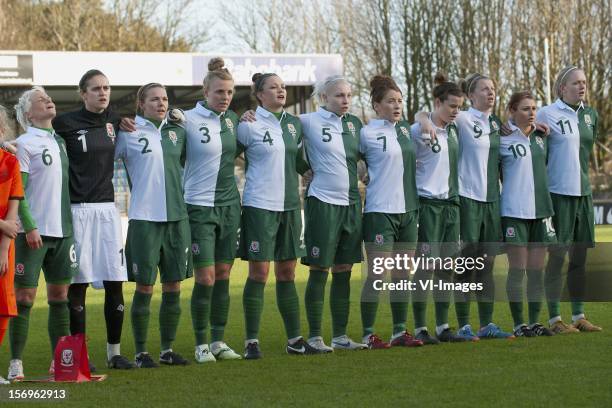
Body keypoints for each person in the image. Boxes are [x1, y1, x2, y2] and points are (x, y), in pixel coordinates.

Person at [417, 73, 513, 339]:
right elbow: (426, 113)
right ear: (471, 96)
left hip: (492, 201)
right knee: (464, 265)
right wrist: (423, 119)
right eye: (484, 89)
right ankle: (463, 324)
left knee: (487, 264)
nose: (491, 93)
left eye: (493, 88)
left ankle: (487, 325)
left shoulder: (495, 122)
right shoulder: (461, 118)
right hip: (467, 200)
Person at [52, 70, 133, 369]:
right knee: (79, 284)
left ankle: (114, 353)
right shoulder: (65, 123)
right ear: (83, 93)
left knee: (115, 282)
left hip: (108, 212)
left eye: (106, 87)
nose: (103, 92)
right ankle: (79, 358)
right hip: (77, 211)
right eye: (96, 88)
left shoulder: (113, 119)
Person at [237, 72, 321, 359]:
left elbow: (297, 161)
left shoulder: (294, 125)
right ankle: (251, 342)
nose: (281, 91)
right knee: (259, 273)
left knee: (287, 272)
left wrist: (310, 172)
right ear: (260, 95)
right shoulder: (248, 124)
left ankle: (295, 340)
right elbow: (226, 154)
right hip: (259, 206)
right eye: (273, 87)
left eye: (283, 87)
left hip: (289, 207)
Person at [115, 83, 191, 368]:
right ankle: (141, 351)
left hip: (177, 219)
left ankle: (167, 350)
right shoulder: (128, 133)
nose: (161, 104)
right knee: (145, 287)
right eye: (154, 99)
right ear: (141, 104)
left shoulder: (178, 133)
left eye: (165, 99)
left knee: (173, 286)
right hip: (144, 219)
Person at [8, 88, 77, 380]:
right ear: (28, 115)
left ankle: (61, 363)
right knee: (24, 296)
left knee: (60, 296)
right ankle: (15, 362)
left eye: (48, 97)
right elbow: (17, 191)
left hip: (63, 232)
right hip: (32, 234)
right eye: (40, 100)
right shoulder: (24, 144)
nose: (48, 100)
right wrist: (30, 225)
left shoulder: (59, 141)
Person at [300, 75, 367, 351]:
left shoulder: (354, 124)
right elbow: (280, 135)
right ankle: (315, 336)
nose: (346, 100)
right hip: (322, 203)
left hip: (351, 205)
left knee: (344, 269)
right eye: (339, 95)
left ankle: (340, 336)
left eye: (349, 95)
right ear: (323, 98)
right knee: (320, 268)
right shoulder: (307, 121)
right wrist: (300, 167)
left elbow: (365, 156)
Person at [183, 58, 242, 362]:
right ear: (205, 90)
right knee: (205, 278)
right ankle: (200, 343)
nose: (225, 97)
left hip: (230, 207)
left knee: (223, 275)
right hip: (199, 207)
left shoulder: (233, 119)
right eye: (219, 91)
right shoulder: (186, 119)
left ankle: (219, 341)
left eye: (230, 92)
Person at [358, 75, 423, 349]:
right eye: (390, 102)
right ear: (376, 105)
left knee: (401, 275)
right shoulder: (365, 132)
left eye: (400, 101)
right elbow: (352, 160)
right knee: (377, 274)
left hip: (408, 211)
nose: (397, 106)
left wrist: (426, 118)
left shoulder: (406, 130)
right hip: (379, 211)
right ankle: (368, 335)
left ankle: (399, 332)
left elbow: (428, 117)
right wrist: (361, 175)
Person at [537, 66, 602, 333]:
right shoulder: (547, 113)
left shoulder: (590, 115)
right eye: (575, 83)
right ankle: (555, 319)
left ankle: (579, 315)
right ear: (562, 88)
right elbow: (537, 154)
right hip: (557, 195)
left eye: (584, 82)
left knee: (579, 258)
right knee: (557, 256)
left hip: (583, 195)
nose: (582, 86)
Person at [410, 74, 469, 344]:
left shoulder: (455, 129)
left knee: (447, 267)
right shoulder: (417, 130)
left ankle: (443, 327)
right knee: (425, 267)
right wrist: (422, 117)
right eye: (452, 106)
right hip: (427, 205)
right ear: (438, 102)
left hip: (451, 205)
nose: (456, 111)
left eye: (459, 106)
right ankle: (421, 327)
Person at [500, 91, 556, 337]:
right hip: (514, 211)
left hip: (541, 210)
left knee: (536, 272)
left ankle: (534, 323)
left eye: (534, 108)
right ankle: (518, 324)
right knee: (518, 271)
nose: (532, 112)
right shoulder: (501, 138)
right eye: (525, 108)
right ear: (512, 110)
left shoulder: (542, 136)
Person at [0, 105, 23, 384]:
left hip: (4, 244)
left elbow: (14, 204)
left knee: (4, 307)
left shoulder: (10, 161)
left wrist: (4, 247)